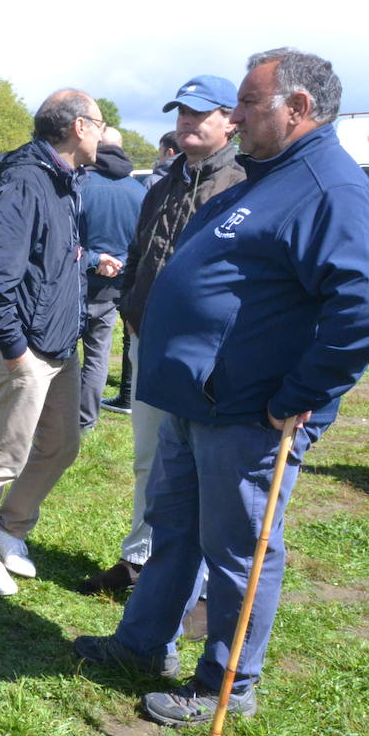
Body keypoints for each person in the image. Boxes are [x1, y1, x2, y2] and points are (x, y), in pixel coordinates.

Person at [74, 49, 369, 726]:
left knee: (239, 551)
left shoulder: (329, 188)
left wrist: (299, 393)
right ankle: (142, 644)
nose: (234, 116)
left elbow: (361, 308)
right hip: (194, 400)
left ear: (298, 109)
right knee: (173, 529)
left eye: (248, 103)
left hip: (246, 411)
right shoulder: (269, 176)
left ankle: (226, 685)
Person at [78, 75, 245, 598]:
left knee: (207, 469)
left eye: (201, 113)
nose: (188, 122)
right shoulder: (168, 180)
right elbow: (140, 248)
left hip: (211, 354)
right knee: (150, 458)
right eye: (182, 114)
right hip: (150, 341)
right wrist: (131, 305)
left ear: (230, 119)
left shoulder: (244, 184)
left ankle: (196, 582)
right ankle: (140, 563)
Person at [0, 89, 101, 596]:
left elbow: (50, 259)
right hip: (24, 346)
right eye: (100, 125)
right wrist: (15, 350)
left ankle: (12, 530)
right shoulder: (24, 181)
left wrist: (87, 264)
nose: (104, 135)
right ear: (79, 127)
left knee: (61, 445)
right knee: (4, 454)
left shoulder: (64, 179)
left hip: (59, 342)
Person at [100, 130, 178, 415]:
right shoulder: (140, 187)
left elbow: (142, 240)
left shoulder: (155, 183)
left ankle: (125, 394)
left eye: (160, 151)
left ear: (169, 152)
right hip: (135, 277)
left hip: (114, 275)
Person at [76, 126, 145, 432]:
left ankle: (52, 418)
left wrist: (94, 260)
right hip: (116, 285)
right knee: (97, 354)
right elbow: (146, 242)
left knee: (60, 352)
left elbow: (65, 236)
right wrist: (122, 266)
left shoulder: (80, 185)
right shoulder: (140, 191)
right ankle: (85, 421)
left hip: (76, 280)